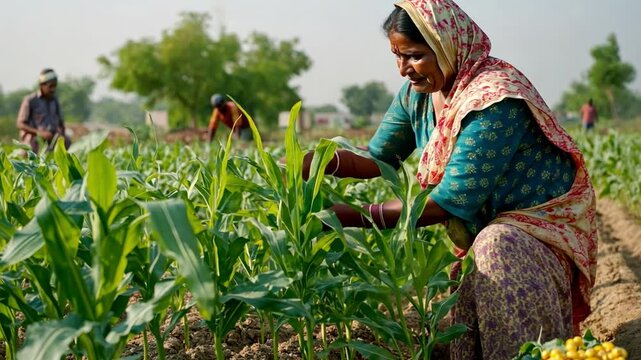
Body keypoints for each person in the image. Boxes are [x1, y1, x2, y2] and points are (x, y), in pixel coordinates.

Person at [302, 1, 598, 359]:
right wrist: (313, 163)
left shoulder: (494, 99)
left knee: (496, 246)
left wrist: (346, 216)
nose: (403, 70)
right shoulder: (421, 93)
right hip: (481, 239)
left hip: (533, 238)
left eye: (413, 56)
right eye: (397, 56)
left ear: (445, 44)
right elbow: (379, 158)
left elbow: (449, 201)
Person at [16, 68, 71, 152]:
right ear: (42, 85)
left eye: (55, 86)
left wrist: (62, 135)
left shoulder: (55, 101)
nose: (53, 89)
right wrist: (40, 133)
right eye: (50, 86)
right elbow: (20, 124)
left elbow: (61, 123)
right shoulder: (30, 100)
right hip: (34, 137)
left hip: (52, 137)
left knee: (66, 141)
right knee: (33, 143)